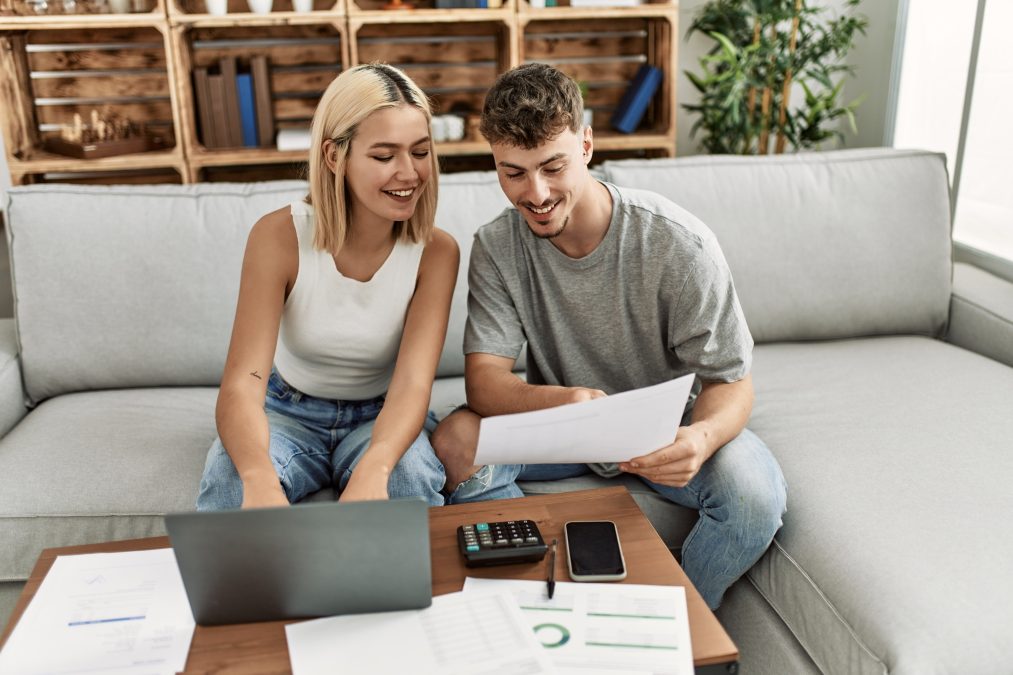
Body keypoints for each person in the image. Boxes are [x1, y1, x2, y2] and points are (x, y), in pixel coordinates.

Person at [431, 63, 786, 609]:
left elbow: (732, 381)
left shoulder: (678, 244)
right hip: (561, 426)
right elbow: (484, 383)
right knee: (455, 440)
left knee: (755, 500)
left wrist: (701, 438)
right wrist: (570, 402)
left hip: (665, 431)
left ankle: (682, 618)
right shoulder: (497, 246)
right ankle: (533, 603)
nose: (536, 193)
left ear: (587, 145)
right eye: (513, 173)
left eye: (553, 167)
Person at [196, 64, 459, 511]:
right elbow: (243, 384)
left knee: (409, 478)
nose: (409, 173)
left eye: (420, 152)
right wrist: (258, 478)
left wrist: (377, 466)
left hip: (382, 414)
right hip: (286, 413)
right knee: (232, 483)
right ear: (335, 156)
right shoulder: (277, 237)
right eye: (384, 156)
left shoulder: (436, 253)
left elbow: (413, 385)